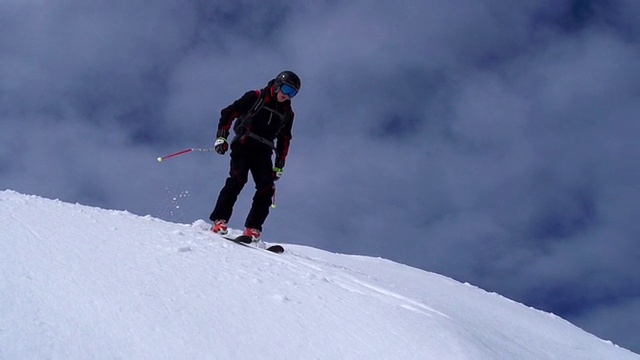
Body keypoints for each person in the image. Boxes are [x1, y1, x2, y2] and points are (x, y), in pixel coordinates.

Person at [209, 70, 301, 243]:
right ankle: (219, 221)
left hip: (264, 150)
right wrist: (221, 137)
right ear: (278, 85)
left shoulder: (288, 113)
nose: (287, 96)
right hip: (244, 143)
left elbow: (285, 139)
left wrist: (279, 164)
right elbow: (229, 112)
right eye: (286, 90)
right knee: (237, 179)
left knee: (266, 188)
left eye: (293, 93)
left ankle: (253, 228)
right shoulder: (256, 96)